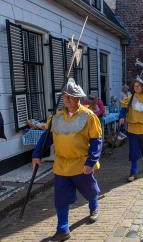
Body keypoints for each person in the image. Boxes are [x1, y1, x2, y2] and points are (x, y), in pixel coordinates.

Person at [32, 78, 102, 241]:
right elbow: (46, 137)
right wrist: (37, 154)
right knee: (61, 197)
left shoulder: (89, 116)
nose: (66, 99)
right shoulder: (56, 117)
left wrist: (91, 161)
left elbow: (96, 140)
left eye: (70, 97)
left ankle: (94, 207)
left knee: (90, 191)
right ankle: (63, 229)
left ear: (78, 98)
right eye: (65, 97)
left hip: (81, 163)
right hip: (62, 164)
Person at [119, 76, 143, 182]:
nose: (136, 87)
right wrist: (122, 117)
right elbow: (123, 108)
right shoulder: (130, 98)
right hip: (132, 129)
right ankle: (133, 172)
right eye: (134, 86)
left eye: (138, 86)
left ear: (142, 86)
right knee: (133, 151)